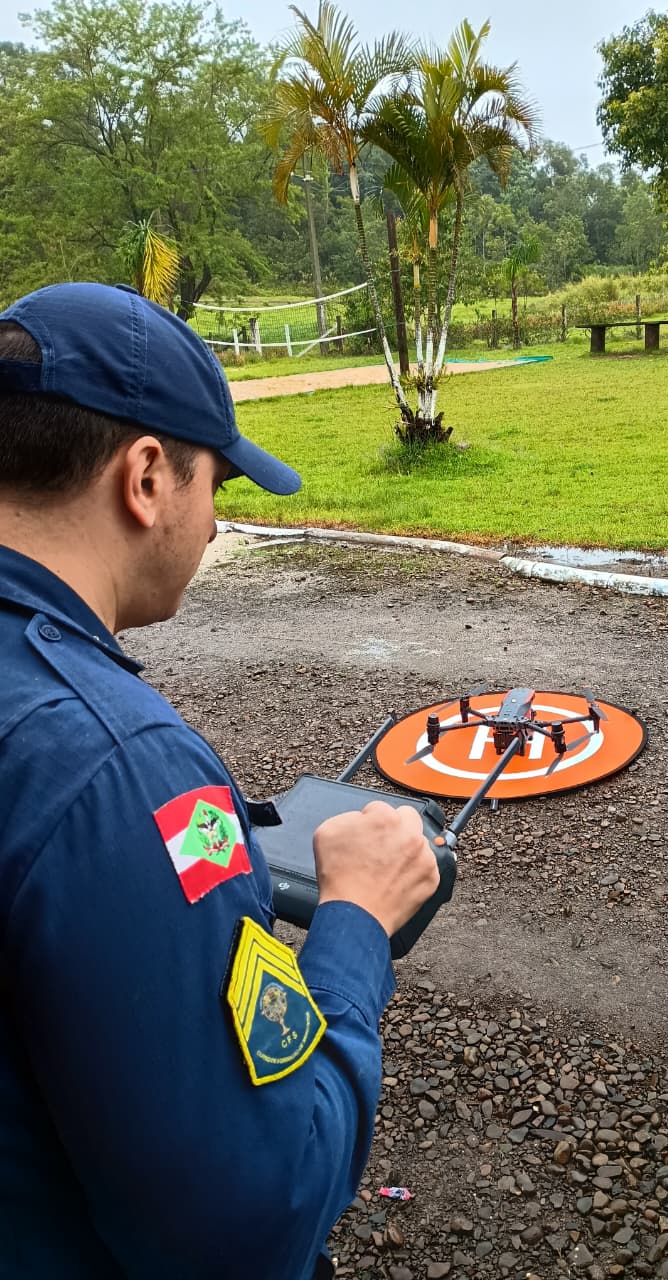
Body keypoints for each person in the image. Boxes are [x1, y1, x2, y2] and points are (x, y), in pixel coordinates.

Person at [0, 282, 440, 1279]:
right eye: (219, 491)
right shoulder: (118, 769)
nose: (211, 529)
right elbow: (249, 1221)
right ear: (147, 476)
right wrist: (357, 923)